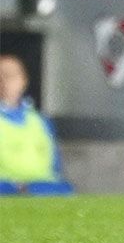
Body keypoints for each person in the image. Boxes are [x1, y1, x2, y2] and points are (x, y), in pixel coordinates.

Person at [0, 54, 72, 195]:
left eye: (10, 76)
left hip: (43, 187)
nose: (4, 82)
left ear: (23, 80)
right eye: (1, 76)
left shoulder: (41, 121)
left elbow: (55, 165)